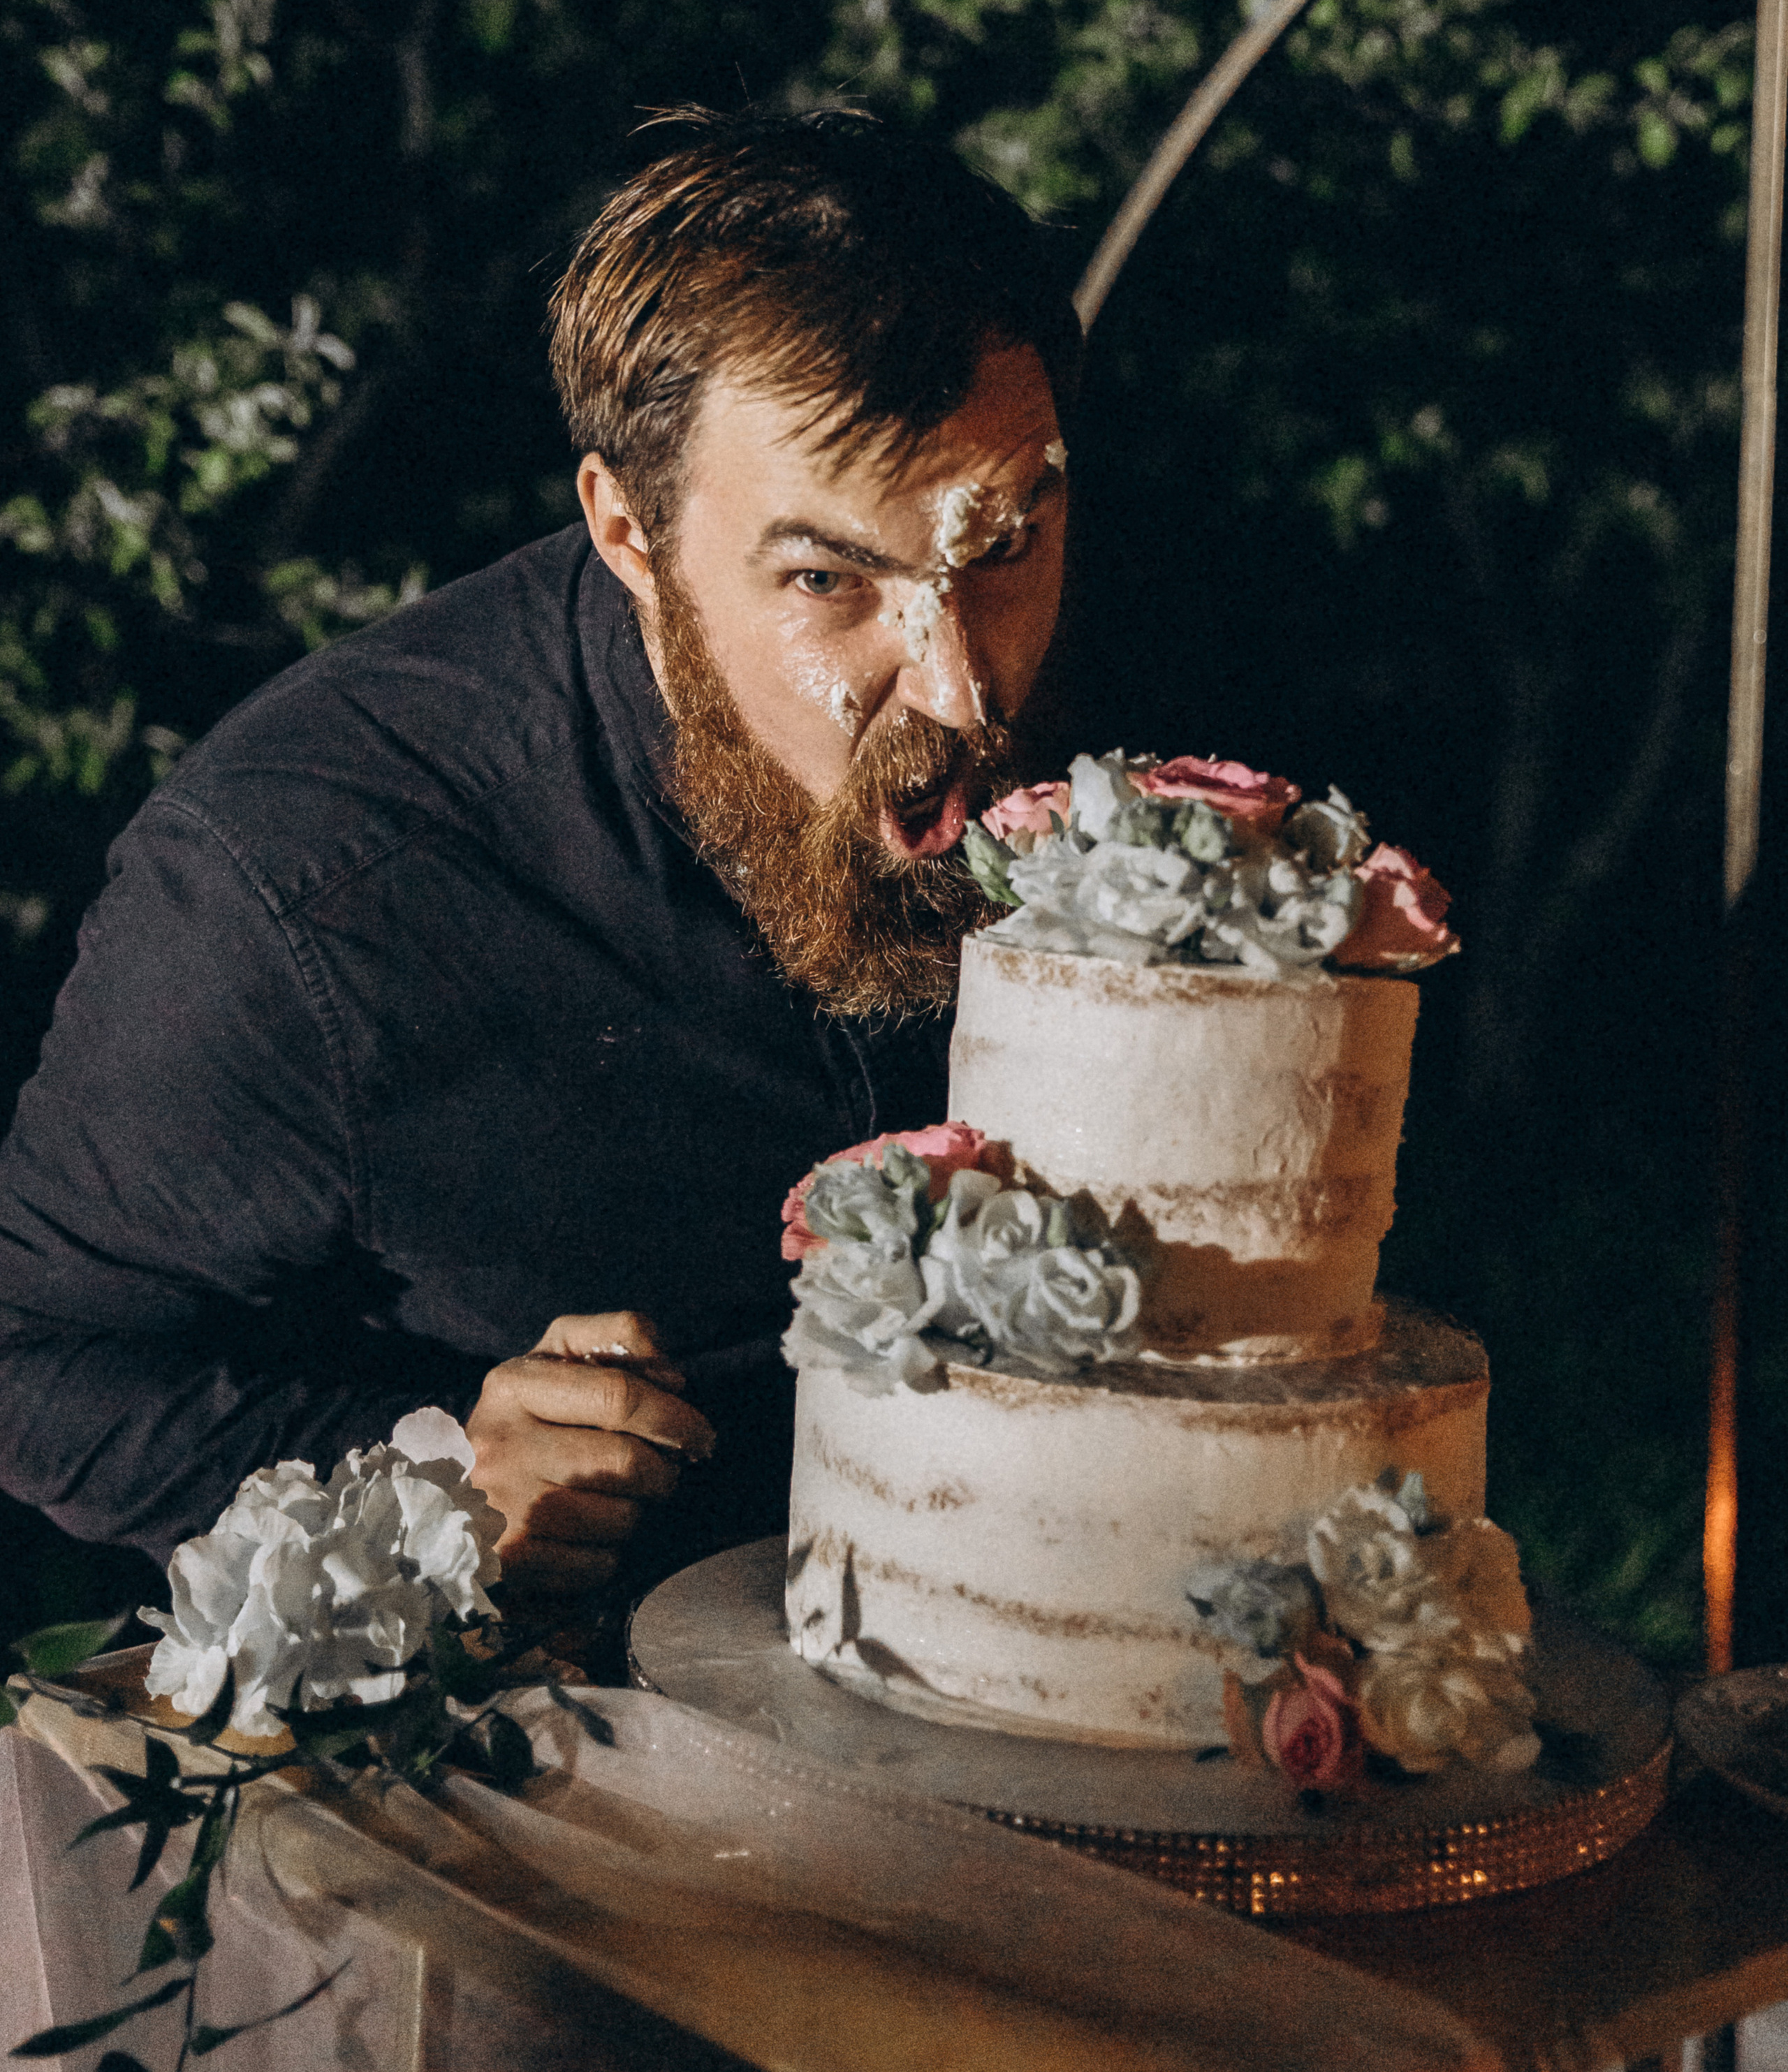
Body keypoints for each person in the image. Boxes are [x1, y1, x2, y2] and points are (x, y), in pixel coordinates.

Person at [0, 108, 1080, 1611]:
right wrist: (423, 1482)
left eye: (1004, 548)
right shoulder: (304, 884)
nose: (964, 692)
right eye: (827, 579)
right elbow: (34, 1357)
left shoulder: (1105, 658)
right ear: (627, 533)